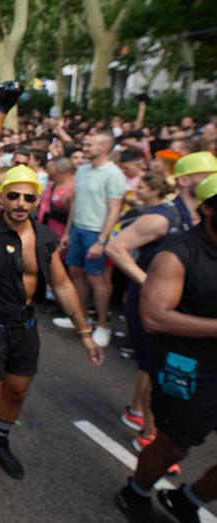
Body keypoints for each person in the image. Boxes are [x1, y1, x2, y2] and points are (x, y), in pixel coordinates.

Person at [0, 165, 103, 505]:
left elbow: (61, 283)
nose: (20, 202)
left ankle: (0, 438)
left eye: (29, 197)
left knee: (17, 392)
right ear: (2, 199)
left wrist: (84, 331)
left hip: (24, 327)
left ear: (36, 201)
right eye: (13, 195)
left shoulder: (43, 237)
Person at [115, 174, 217, 523]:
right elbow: (155, 318)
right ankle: (136, 492)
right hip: (186, 365)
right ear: (207, 207)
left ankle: (188, 499)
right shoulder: (177, 253)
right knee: (175, 444)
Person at [106, 172, 185, 475]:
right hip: (150, 301)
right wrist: (147, 283)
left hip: (168, 301)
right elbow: (117, 246)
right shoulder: (162, 217)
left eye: (142, 185)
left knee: (149, 364)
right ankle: (149, 435)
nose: (136, 189)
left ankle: (136, 411)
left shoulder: (183, 218)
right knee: (156, 365)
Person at [56, 132, 126, 348]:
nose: (84, 146)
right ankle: (81, 319)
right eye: (85, 142)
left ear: (104, 147)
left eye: (89, 143)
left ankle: (103, 325)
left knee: (98, 279)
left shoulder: (114, 174)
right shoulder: (83, 169)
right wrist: (68, 232)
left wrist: (102, 240)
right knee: (76, 273)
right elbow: (75, 203)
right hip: (78, 230)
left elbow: (115, 210)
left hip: (97, 233)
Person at [37, 157, 75, 242]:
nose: (47, 172)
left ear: (59, 169)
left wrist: (66, 234)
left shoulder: (71, 190)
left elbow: (73, 215)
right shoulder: (51, 184)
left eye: (50, 168)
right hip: (44, 232)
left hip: (58, 237)